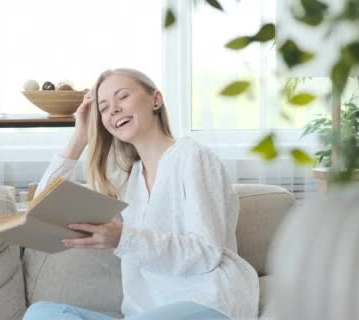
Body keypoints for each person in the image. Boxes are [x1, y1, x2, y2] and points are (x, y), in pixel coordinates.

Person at [23, 68, 259, 320]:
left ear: (155, 100)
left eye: (122, 96)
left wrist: (123, 238)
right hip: (146, 312)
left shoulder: (192, 157)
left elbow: (206, 253)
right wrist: (80, 135)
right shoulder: (126, 178)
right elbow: (43, 206)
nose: (112, 109)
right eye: (103, 108)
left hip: (208, 302)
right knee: (40, 314)